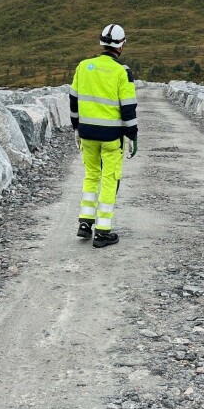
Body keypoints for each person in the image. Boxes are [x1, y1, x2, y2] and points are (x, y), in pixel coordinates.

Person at [69, 23, 138, 248]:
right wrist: (132, 136)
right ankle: (103, 231)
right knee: (109, 179)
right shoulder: (122, 72)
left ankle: (85, 223)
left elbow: (73, 100)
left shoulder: (83, 66)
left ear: (101, 42)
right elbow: (128, 108)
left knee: (91, 175)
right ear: (121, 46)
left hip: (87, 133)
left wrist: (76, 128)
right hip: (111, 137)